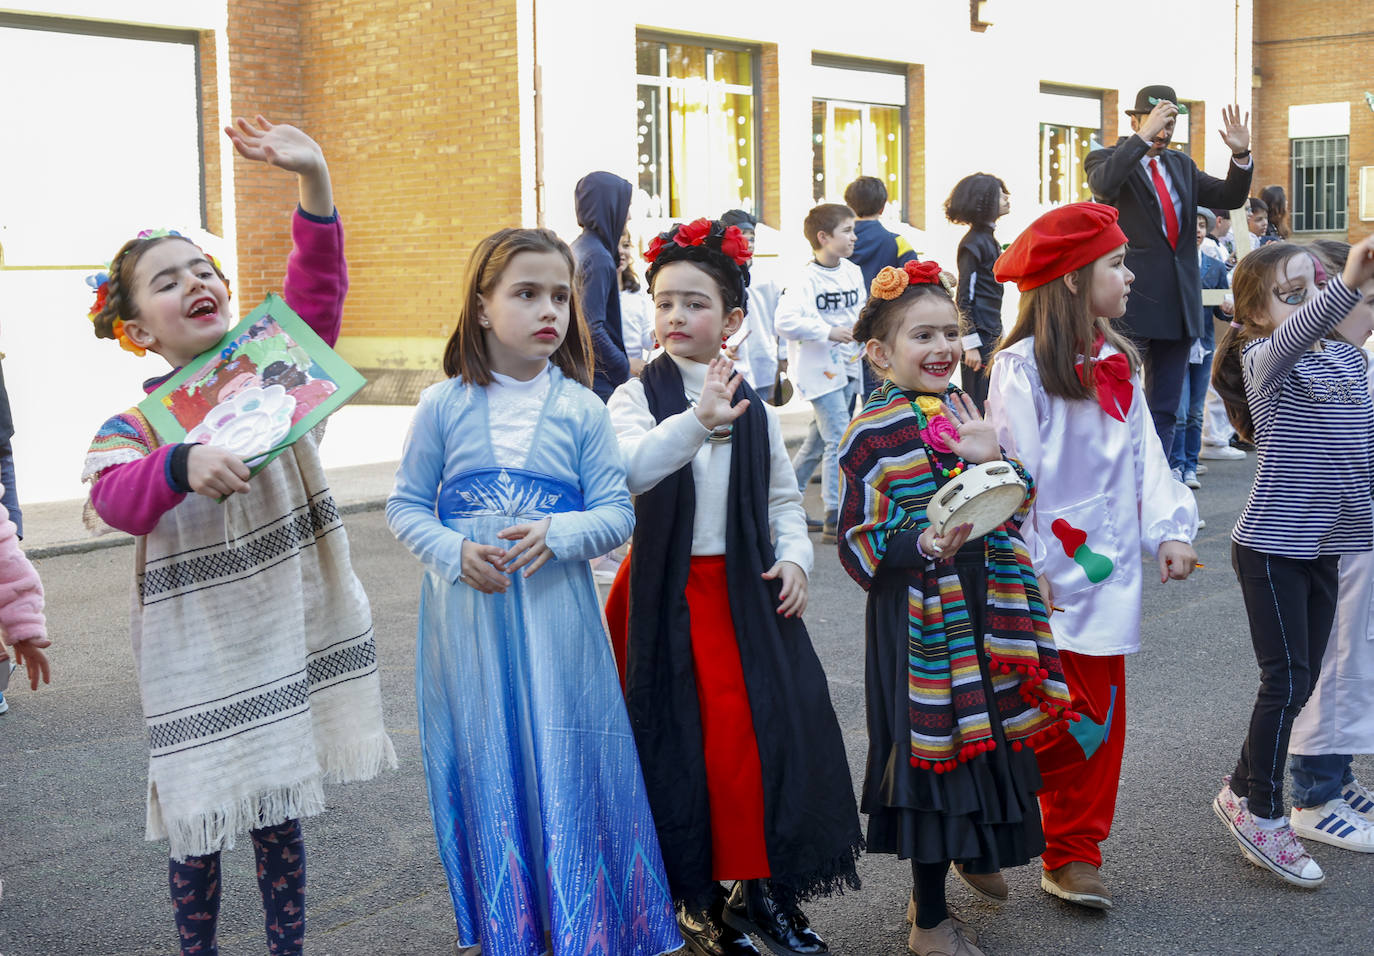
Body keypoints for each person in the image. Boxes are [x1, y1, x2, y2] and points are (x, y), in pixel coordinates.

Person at [82, 116, 396, 956]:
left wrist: (315, 182)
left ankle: (286, 949)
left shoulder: (275, 370)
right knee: (199, 814)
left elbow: (320, 291)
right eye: (165, 280)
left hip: (276, 633)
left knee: (278, 808)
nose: (194, 281)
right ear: (138, 329)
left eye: (203, 267)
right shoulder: (138, 424)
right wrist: (181, 463)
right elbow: (113, 498)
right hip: (195, 655)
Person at [386, 228, 680, 956]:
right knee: (490, 758)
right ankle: (512, 930)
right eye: (526, 293)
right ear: (482, 308)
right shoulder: (440, 407)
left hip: (557, 621)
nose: (550, 309)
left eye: (560, 295)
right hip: (469, 622)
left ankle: (588, 926)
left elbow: (615, 511)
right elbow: (404, 507)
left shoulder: (583, 408)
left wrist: (561, 534)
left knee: (567, 754)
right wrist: (452, 550)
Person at [605, 218, 862, 956]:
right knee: (688, 748)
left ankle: (761, 894)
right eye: (663, 303)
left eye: (694, 302)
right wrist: (693, 420)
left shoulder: (753, 400)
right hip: (665, 594)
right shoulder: (634, 396)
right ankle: (697, 897)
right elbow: (628, 472)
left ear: (734, 319)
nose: (676, 317)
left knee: (775, 741)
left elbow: (783, 497)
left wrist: (796, 560)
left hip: (747, 590)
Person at [837, 259, 1076, 956]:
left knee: (988, 738)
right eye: (922, 336)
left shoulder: (967, 416)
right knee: (933, 753)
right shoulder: (870, 435)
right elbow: (858, 539)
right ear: (881, 354)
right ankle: (928, 918)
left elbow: (1012, 502)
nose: (942, 348)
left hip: (986, 602)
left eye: (951, 333)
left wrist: (992, 457)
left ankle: (974, 854)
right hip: (919, 616)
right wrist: (921, 543)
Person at [986, 202, 1200, 910]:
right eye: (1116, 262)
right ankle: (981, 823)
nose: (1132, 275)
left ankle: (1074, 850)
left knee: (1099, 723)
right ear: (1074, 280)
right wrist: (1027, 570)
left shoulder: (1116, 363)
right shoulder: (1019, 369)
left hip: (1109, 579)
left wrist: (1170, 529)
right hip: (1049, 580)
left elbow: (1147, 460)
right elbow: (1014, 477)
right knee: (1043, 717)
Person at [1210, 236, 1374, 886]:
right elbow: (1310, 322)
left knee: (1300, 683)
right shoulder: (1264, 359)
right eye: (1290, 293)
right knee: (1283, 684)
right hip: (1271, 548)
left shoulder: (1341, 356)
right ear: (1252, 313)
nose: (1309, 304)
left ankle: (1240, 788)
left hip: (1322, 547)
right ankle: (1265, 813)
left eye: (1312, 289)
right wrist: (1345, 282)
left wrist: (1358, 284)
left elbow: (1351, 312)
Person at [1084, 84, 1253, 452]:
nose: (1164, 132)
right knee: (1117, 398)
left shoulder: (1181, 165)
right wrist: (1142, 138)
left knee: (1167, 408)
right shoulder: (1109, 160)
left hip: (1179, 305)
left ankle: (1162, 477)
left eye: (1171, 123)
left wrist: (1241, 154)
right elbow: (1103, 186)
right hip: (1131, 301)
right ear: (1134, 120)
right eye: (1157, 122)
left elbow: (1230, 196)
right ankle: (1116, 474)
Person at [1286, 239, 1374, 853]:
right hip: (1334, 536)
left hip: (1355, 531)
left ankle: (1336, 776)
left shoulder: (1349, 360)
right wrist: (1350, 283)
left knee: (1355, 655)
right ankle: (1313, 795)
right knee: (1335, 658)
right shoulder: (1310, 365)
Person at [776, 203, 864, 542]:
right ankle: (834, 513)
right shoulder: (803, 279)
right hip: (818, 371)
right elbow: (784, 321)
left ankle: (784, 500)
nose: (854, 237)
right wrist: (826, 330)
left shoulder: (853, 271)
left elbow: (861, 310)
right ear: (823, 237)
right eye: (847, 231)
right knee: (839, 438)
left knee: (817, 440)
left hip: (850, 365)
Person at [1171, 209, 1233, 492]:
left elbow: (1221, 310)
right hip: (1177, 345)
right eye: (1192, 225)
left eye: (1201, 225)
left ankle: (1190, 466)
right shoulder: (1173, 264)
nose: (1197, 230)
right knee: (1180, 413)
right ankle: (1175, 464)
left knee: (1196, 412)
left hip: (1204, 347)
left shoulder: (1215, 266)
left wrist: (1228, 309)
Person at [844, 177, 919, 404]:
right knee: (877, 396)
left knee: (840, 407)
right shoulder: (897, 242)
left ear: (849, 205)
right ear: (883, 205)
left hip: (843, 331)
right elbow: (914, 282)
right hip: (882, 329)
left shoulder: (840, 241)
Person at [945, 173, 1011, 411]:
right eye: (999, 193)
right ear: (983, 202)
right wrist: (970, 344)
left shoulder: (988, 239)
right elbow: (964, 297)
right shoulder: (973, 242)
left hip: (990, 332)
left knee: (992, 400)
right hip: (979, 339)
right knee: (979, 404)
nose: (1006, 197)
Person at [572, 171, 633, 401]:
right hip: (600, 382)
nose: (628, 215)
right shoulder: (598, 257)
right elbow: (591, 326)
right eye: (625, 204)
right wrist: (621, 366)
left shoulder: (579, 248)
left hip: (584, 374)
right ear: (609, 204)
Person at [720, 209, 784, 402]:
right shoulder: (717, 277)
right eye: (742, 237)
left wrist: (783, 356)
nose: (749, 244)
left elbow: (779, 320)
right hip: (729, 367)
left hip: (762, 361)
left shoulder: (767, 278)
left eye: (752, 238)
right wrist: (722, 349)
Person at [619, 228, 656, 373]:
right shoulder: (600, 294)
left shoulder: (636, 292)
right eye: (616, 245)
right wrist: (625, 363)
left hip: (634, 377)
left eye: (626, 245)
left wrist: (655, 335)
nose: (621, 251)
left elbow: (645, 337)